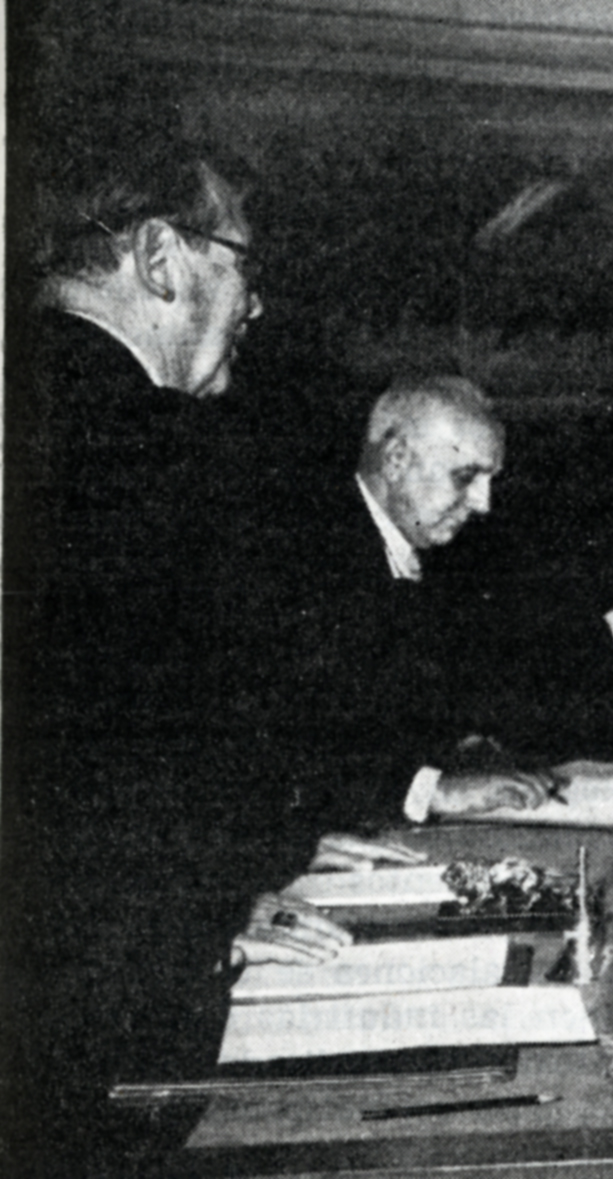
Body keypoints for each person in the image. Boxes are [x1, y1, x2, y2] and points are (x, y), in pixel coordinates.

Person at [0, 133, 353, 1175]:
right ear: (160, 257)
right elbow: (312, 667)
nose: (254, 306)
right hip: (84, 1029)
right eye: (241, 266)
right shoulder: (156, 447)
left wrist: (216, 887)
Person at [245, 374, 613, 847]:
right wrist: (432, 789)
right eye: (465, 476)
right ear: (395, 459)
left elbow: (432, 686)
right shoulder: (311, 550)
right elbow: (292, 740)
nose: (483, 503)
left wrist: (461, 753)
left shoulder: (411, 549)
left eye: (490, 479)